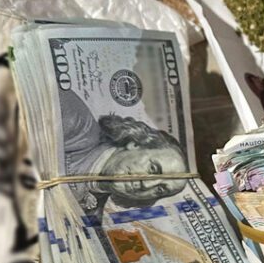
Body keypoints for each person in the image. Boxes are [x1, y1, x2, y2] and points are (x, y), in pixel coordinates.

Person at [59, 88, 189, 214]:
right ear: (135, 144)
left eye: (160, 189)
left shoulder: (91, 215)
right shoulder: (74, 120)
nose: (146, 185)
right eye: (153, 169)